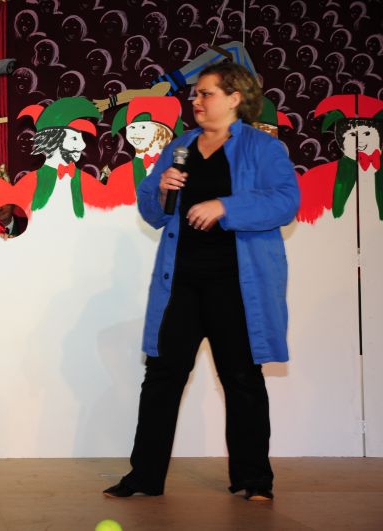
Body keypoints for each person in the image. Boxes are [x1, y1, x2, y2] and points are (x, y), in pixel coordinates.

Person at [103, 63, 299, 501]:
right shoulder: (181, 146)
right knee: (162, 376)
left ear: (235, 98)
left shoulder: (263, 148)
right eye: (195, 94)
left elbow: (286, 202)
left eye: (206, 93)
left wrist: (225, 207)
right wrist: (161, 189)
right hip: (182, 283)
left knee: (242, 379)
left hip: (237, 286)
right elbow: (153, 213)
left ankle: (254, 479)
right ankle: (144, 476)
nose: (196, 100)